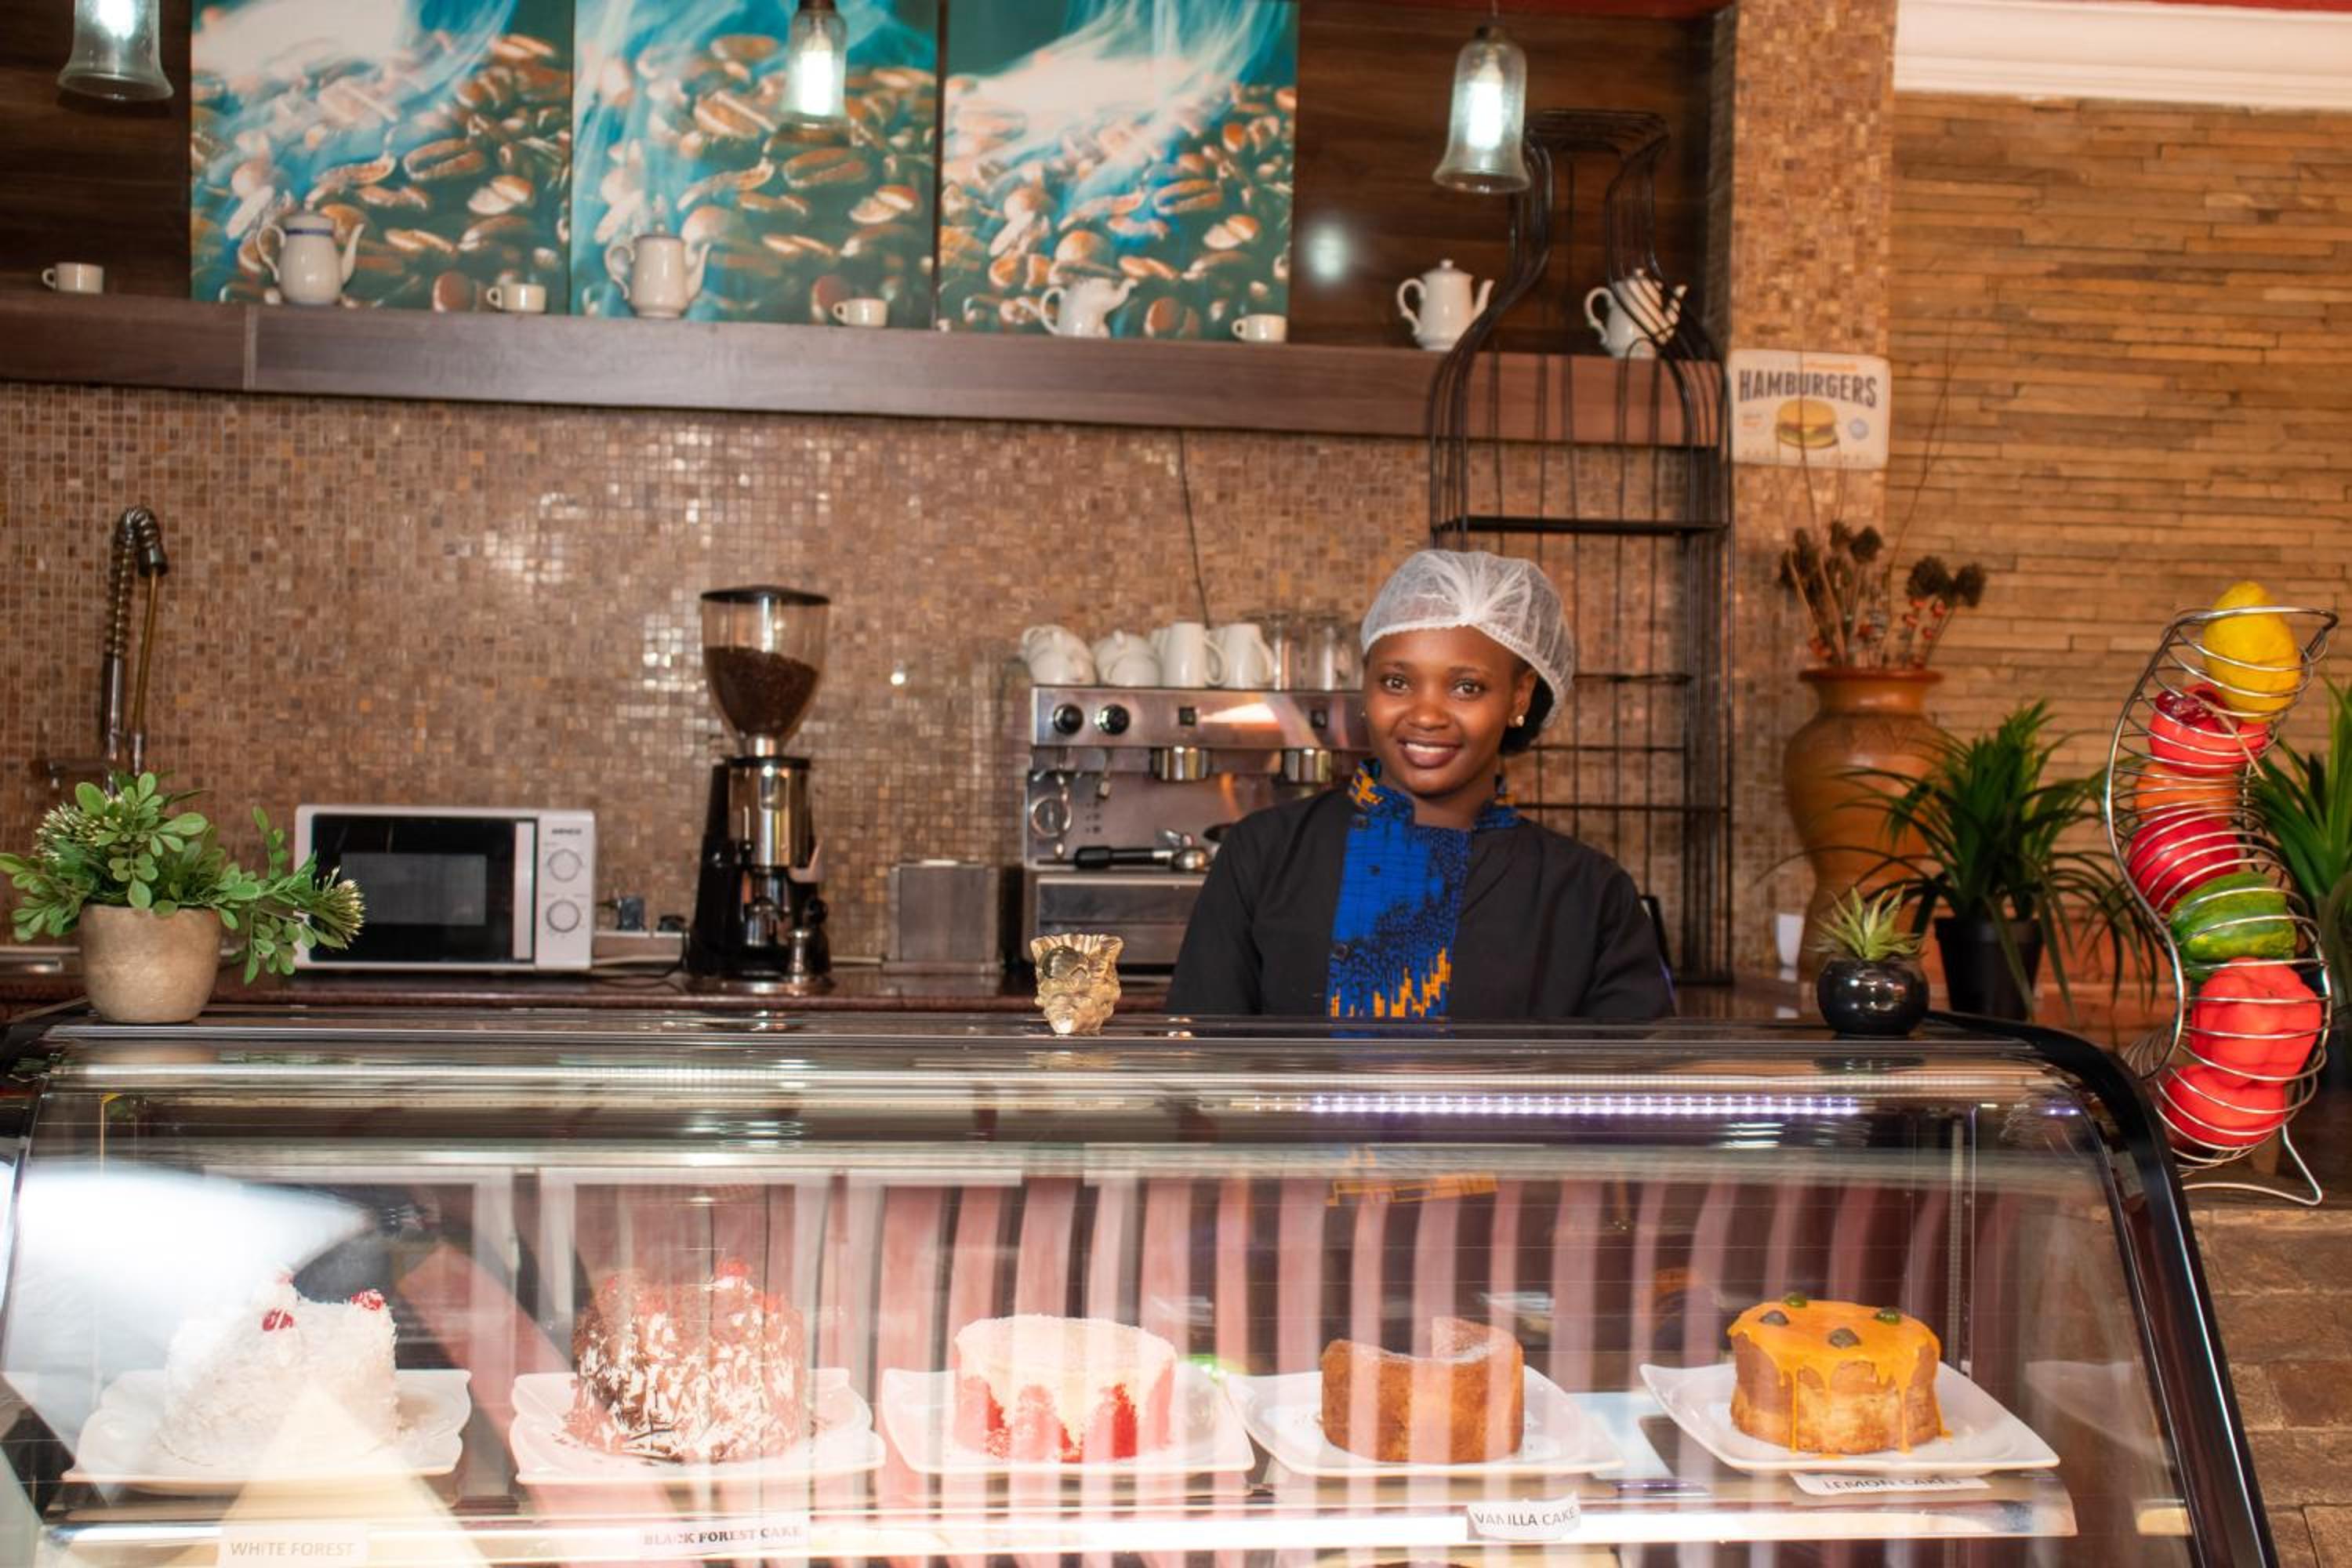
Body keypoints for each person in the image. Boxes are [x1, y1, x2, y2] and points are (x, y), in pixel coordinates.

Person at [1167, 549, 1674, 1022]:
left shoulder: (1587, 892)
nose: (1426, 715)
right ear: (1365, 683)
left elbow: (1632, 1075)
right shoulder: (1264, 853)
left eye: (1466, 687)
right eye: (1396, 682)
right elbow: (1199, 1060)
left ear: (1519, 697)